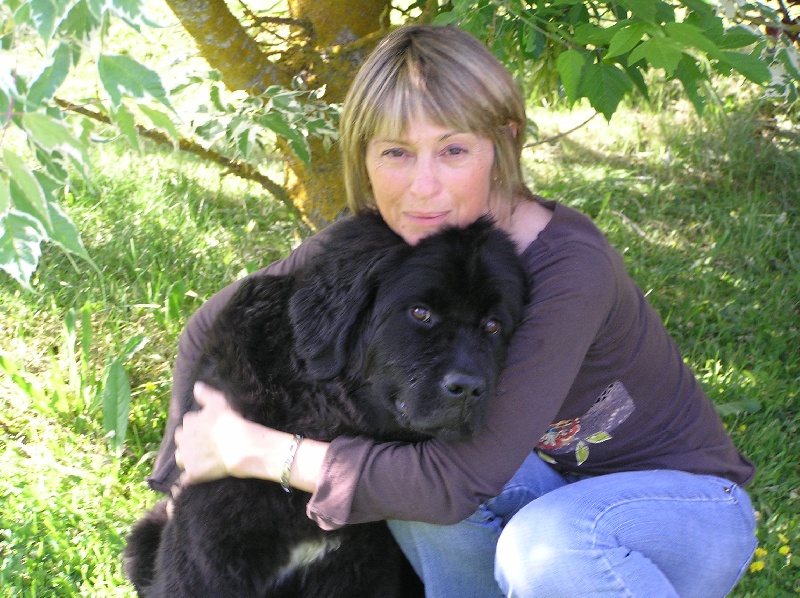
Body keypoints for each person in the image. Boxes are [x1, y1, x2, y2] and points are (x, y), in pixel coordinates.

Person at [147, 24, 757, 597]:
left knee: (543, 545)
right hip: (536, 478)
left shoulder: (570, 269)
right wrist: (181, 479)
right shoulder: (405, 233)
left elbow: (454, 484)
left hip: (678, 509)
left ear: (505, 140)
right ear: (362, 156)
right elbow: (214, 319)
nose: (423, 185)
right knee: (399, 465)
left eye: (453, 150)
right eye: (395, 153)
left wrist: (254, 451)